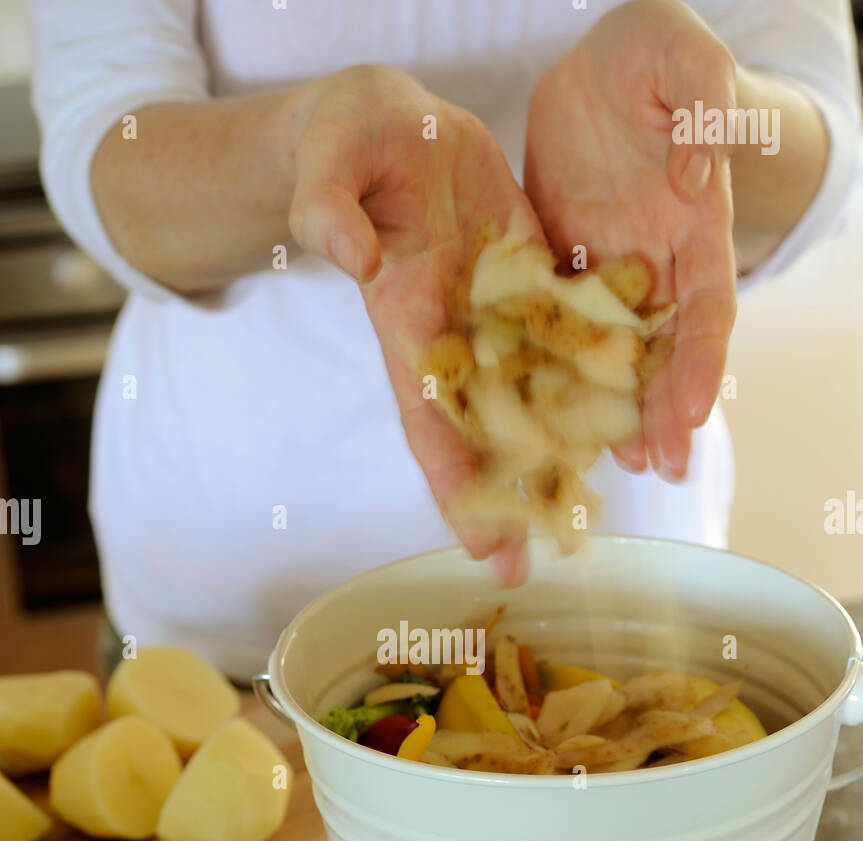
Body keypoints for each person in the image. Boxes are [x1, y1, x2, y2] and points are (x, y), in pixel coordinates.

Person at [29, 0, 861, 680]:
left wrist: (704, 125)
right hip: (238, 607)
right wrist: (310, 149)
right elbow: (105, 144)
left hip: (623, 592)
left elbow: (824, 134)